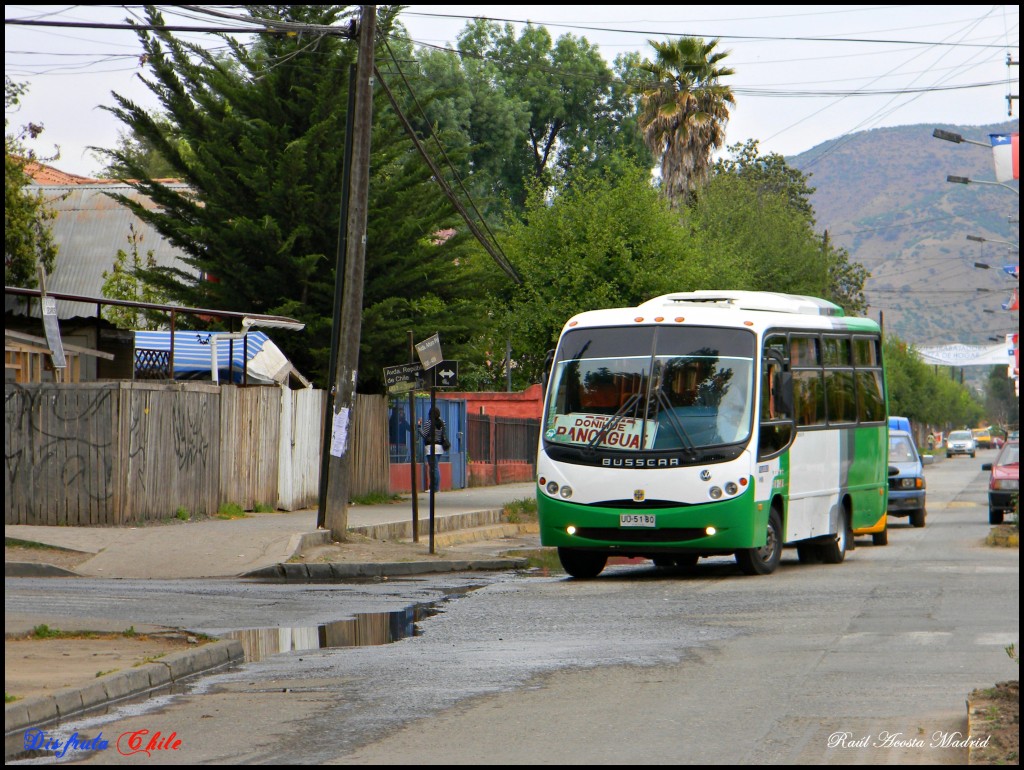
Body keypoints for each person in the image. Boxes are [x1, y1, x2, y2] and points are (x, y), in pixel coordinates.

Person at [418, 407, 446, 492]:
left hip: (431, 447)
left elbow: (424, 435)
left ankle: (434, 488)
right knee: (436, 467)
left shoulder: (429, 422)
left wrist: (419, 426)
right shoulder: (443, 422)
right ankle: (436, 487)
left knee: (433, 467)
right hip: (440, 447)